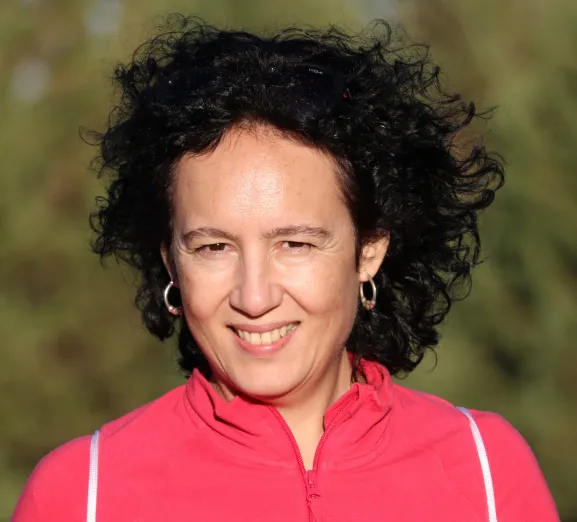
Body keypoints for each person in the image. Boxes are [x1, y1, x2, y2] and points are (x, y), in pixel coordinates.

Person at [12, 15, 559, 522]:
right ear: (169, 259)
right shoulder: (81, 493)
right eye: (213, 247)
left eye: (295, 244)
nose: (254, 297)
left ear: (369, 248)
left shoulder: (487, 469)